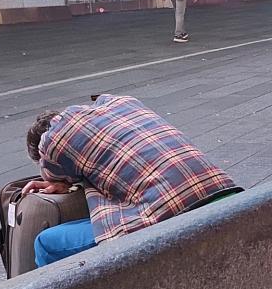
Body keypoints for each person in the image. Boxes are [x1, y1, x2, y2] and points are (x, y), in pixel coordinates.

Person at [24, 95, 242, 267]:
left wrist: (58, 181)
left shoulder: (52, 141)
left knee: (47, 244)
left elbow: (52, 176)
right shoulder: (123, 104)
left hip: (175, 218)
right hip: (230, 198)